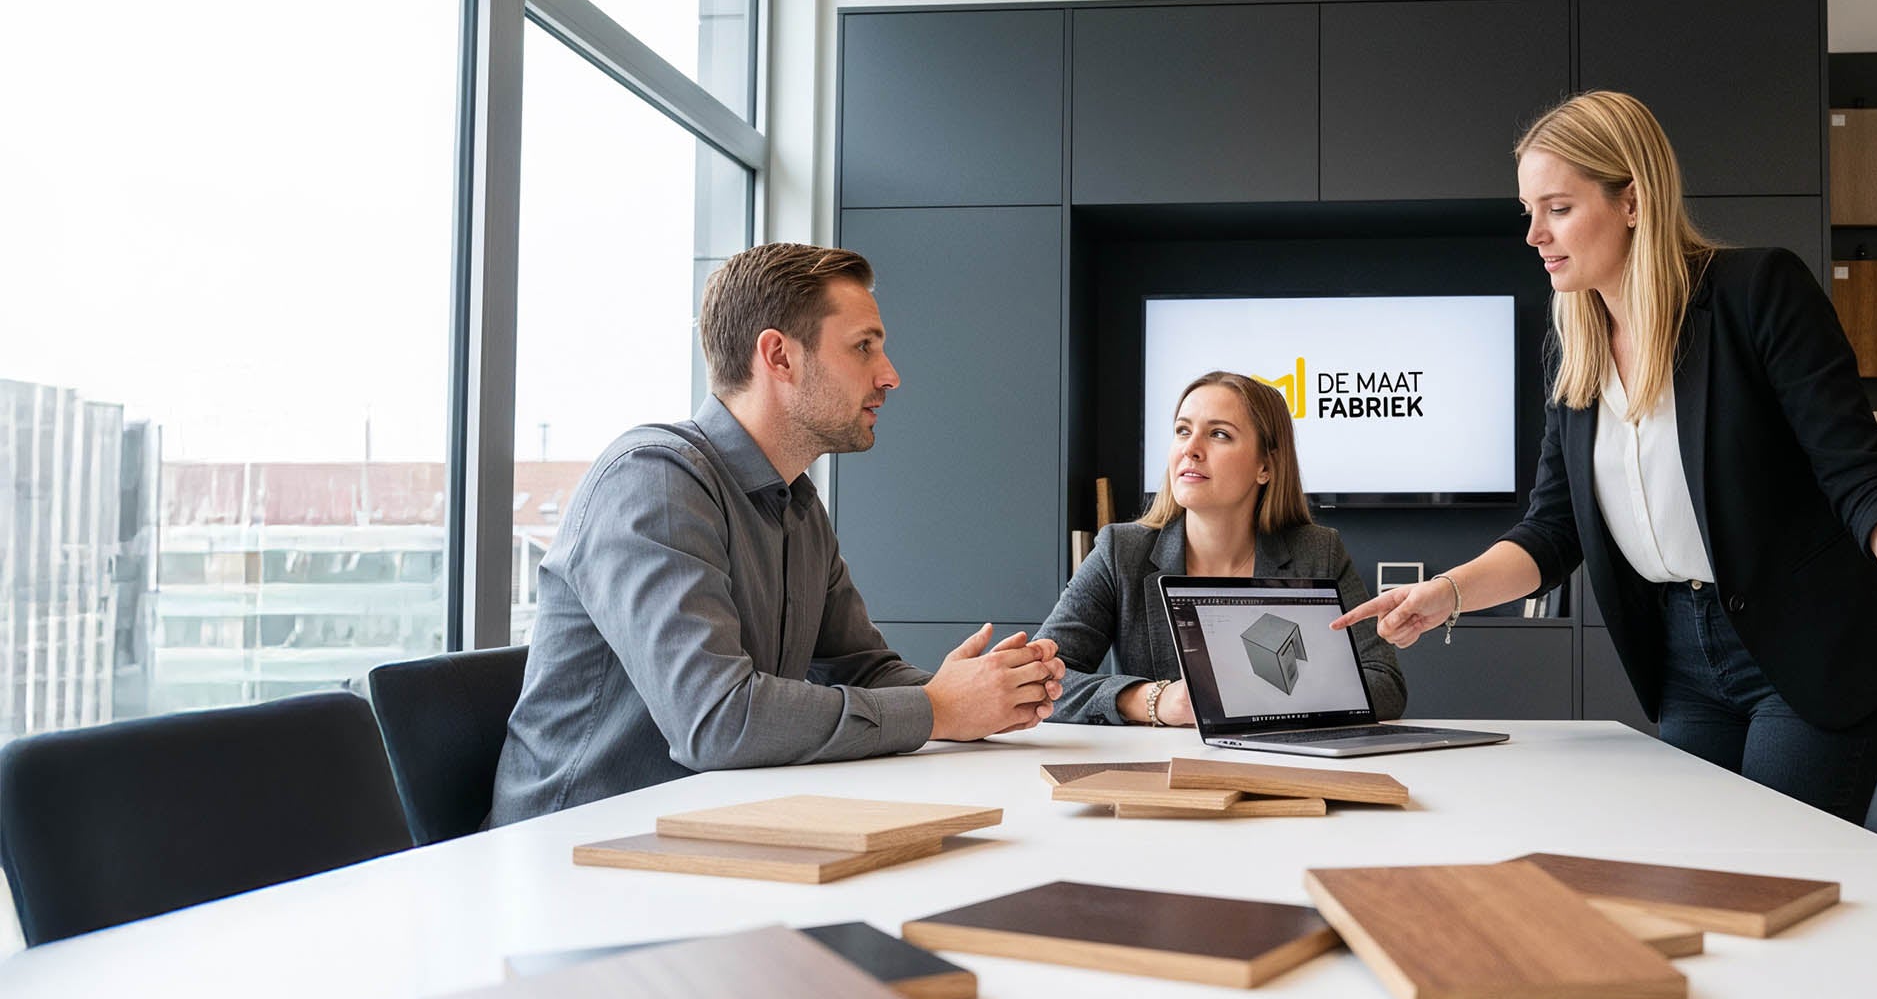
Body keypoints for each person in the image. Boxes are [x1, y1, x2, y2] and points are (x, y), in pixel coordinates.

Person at [1335, 92, 1877, 823]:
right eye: (1528, 212)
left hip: (1802, 656)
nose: (1535, 234)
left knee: (1774, 879)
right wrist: (1443, 594)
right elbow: (1552, 532)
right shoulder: (1576, 353)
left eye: (1559, 208)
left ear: (1632, 200)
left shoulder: (1758, 294)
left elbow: (1859, 475)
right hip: (1682, 662)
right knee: (1696, 872)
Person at [487, 243, 1064, 825]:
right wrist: (937, 710)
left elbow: (860, 668)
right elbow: (716, 722)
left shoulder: (799, 504)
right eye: (863, 346)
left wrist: (986, 695)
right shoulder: (654, 482)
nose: (890, 375)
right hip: (571, 852)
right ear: (779, 356)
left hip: (703, 830)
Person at [1041, 371, 1404, 727]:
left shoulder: (1318, 552)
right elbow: (1037, 680)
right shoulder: (1120, 552)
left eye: (1218, 434)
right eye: (1183, 431)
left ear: (1265, 466)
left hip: (1285, 768)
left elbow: (1385, 684)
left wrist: (1255, 698)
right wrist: (1154, 700)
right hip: (1160, 777)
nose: (1191, 449)